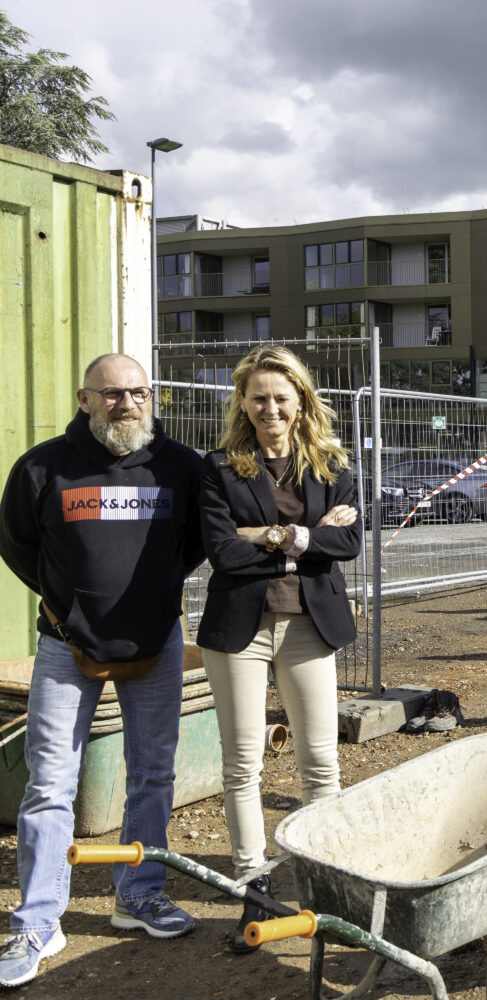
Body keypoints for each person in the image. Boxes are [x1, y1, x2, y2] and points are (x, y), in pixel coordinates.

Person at [0, 354, 205, 987]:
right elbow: (17, 545)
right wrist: (73, 609)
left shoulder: (182, 467)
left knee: (152, 774)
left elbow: (197, 542)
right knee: (49, 786)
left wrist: (152, 598)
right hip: (66, 646)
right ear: (85, 399)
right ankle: (39, 919)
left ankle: (136, 896)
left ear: (154, 396)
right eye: (111, 394)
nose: (126, 404)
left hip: (156, 644)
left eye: (137, 392)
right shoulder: (42, 467)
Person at [196, 346, 362, 952]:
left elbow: (348, 545)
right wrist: (305, 537)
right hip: (239, 629)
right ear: (242, 401)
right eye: (259, 396)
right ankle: (252, 885)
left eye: (281, 397)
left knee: (320, 764)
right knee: (243, 766)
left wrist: (275, 536)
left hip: (309, 626)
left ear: (301, 403)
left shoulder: (330, 466)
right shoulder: (219, 469)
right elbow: (221, 549)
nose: (270, 407)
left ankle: (328, 878)